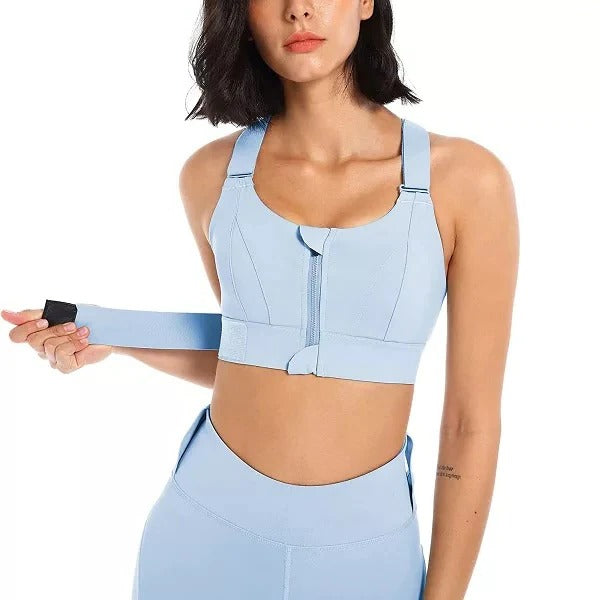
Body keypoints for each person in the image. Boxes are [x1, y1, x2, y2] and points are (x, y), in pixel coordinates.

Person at [2, 1, 519, 598]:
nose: (298, 9)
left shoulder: (467, 181)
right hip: (202, 535)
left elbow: (469, 421)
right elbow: (248, 352)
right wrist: (109, 337)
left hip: (365, 552)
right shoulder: (210, 176)